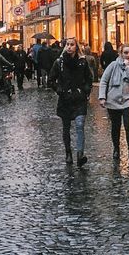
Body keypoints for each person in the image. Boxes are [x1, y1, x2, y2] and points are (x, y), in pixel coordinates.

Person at [49, 36, 93, 167]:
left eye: (72, 44)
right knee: (66, 127)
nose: (69, 47)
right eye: (67, 44)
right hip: (65, 99)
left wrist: (84, 91)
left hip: (79, 99)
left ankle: (80, 154)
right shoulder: (59, 62)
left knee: (80, 125)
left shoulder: (82, 62)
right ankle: (68, 153)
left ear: (76, 47)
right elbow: (51, 80)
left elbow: (89, 78)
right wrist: (59, 90)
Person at [99, 42, 129, 164]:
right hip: (113, 101)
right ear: (120, 54)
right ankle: (116, 149)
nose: (128, 55)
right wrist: (102, 97)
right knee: (115, 127)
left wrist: (128, 67)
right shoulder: (113, 65)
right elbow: (104, 81)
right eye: (125, 53)